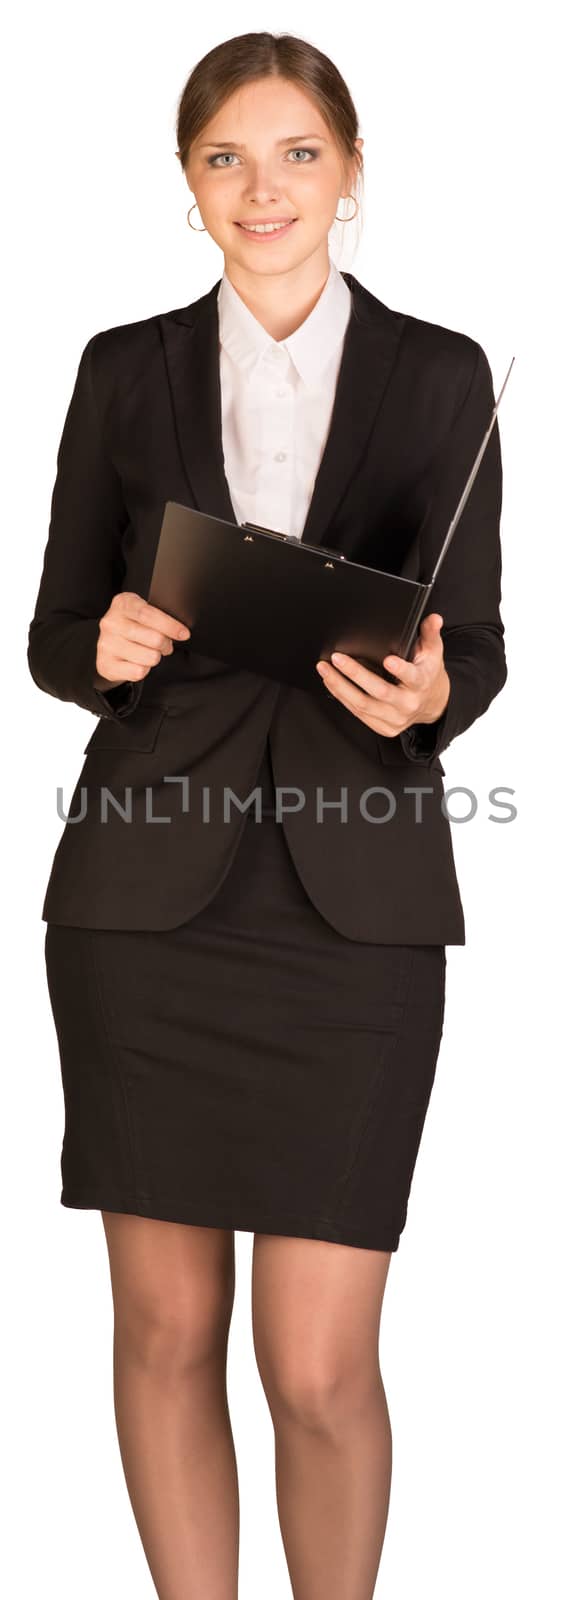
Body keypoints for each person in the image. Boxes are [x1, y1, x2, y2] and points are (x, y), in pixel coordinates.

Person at [28, 30, 507, 1600]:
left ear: (350, 172)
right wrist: (93, 650)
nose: (263, 187)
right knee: (163, 1335)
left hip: (352, 905)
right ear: (186, 183)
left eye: (296, 152)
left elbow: (475, 639)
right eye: (226, 156)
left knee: (316, 1370)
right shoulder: (121, 367)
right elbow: (52, 630)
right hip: (141, 896)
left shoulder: (441, 376)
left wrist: (435, 700)